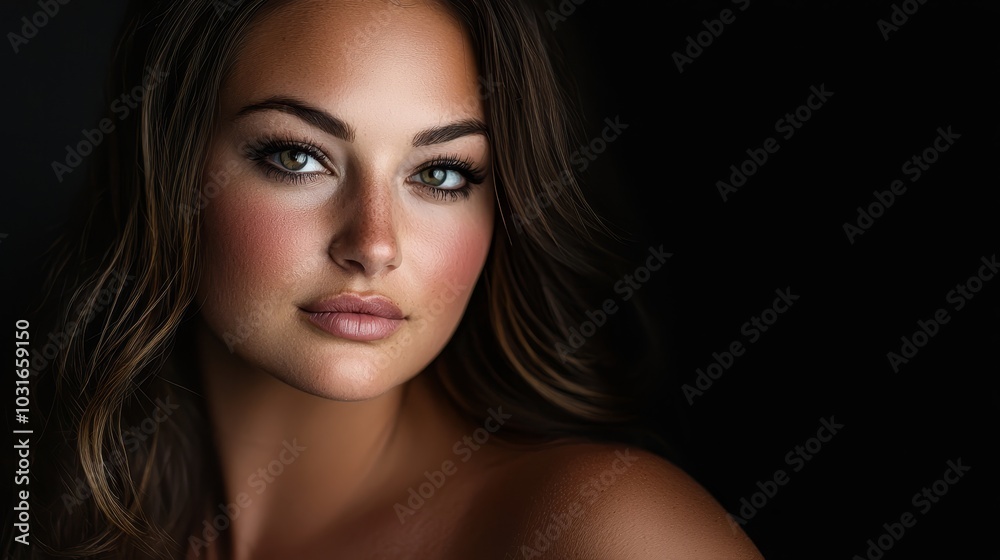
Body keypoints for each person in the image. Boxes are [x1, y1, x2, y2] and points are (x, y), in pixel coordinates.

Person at [9, 0, 765, 558]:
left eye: (441, 174)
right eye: (298, 158)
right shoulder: (44, 506)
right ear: (167, 171)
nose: (372, 245)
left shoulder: (610, 531)